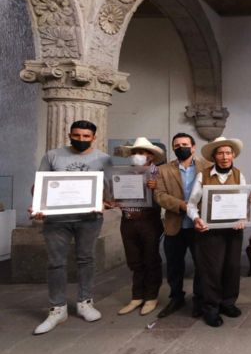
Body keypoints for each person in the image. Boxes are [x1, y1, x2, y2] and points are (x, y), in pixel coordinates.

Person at [31, 120, 112, 335]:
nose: (81, 139)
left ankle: (85, 302)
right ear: (69, 135)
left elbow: (110, 190)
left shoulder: (104, 159)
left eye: (86, 136)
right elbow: (39, 185)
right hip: (56, 220)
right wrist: (38, 204)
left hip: (89, 218)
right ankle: (57, 308)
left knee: (86, 259)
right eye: (77, 135)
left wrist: (105, 202)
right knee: (55, 262)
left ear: (94, 137)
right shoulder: (53, 155)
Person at [187, 136, 251, 327]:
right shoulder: (203, 175)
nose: (225, 156)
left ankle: (228, 303)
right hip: (210, 231)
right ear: (214, 156)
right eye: (220, 153)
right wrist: (196, 219)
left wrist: (244, 218)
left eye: (228, 152)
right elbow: (191, 204)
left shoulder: (239, 174)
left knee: (232, 267)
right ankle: (210, 308)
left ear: (233, 155)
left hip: (233, 231)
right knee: (211, 270)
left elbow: (245, 203)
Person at [154, 133, 210, 319]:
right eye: (177, 145)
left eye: (185, 144)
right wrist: (183, 206)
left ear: (193, 147)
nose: (181, 147)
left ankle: (199, 300)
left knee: (201, 265)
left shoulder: (207, 167)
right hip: (174, 224)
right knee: (174, 266)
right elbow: (160, 195)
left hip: (199, 224)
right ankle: (176, 297)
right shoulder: (163, 170)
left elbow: (211, 194)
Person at [115, 137, 165, 316]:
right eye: (134, 153)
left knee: (150, 258)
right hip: (127, 220)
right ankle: (137, 296)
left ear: (150, 156)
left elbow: (165, 196)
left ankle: (151, 296)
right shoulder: (123, 174)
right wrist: (113, 200)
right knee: (134, 260)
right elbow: (115, 194)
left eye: (141, 153)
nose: (137, 156)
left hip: (149, 221)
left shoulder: (158, 173)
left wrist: (155, 188)